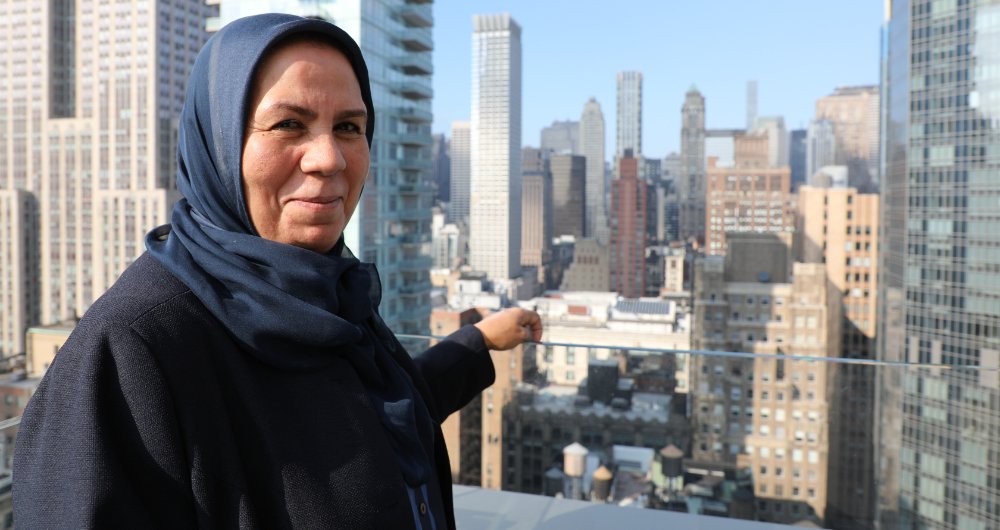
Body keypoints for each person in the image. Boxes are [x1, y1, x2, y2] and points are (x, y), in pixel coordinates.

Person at [13, 13, 541, 529]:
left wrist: (474, 344)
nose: (329, 158)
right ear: (216, 143)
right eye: (289, 124)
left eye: (348, 127)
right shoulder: (134, 346)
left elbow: (368, 414)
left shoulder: (326, 290)